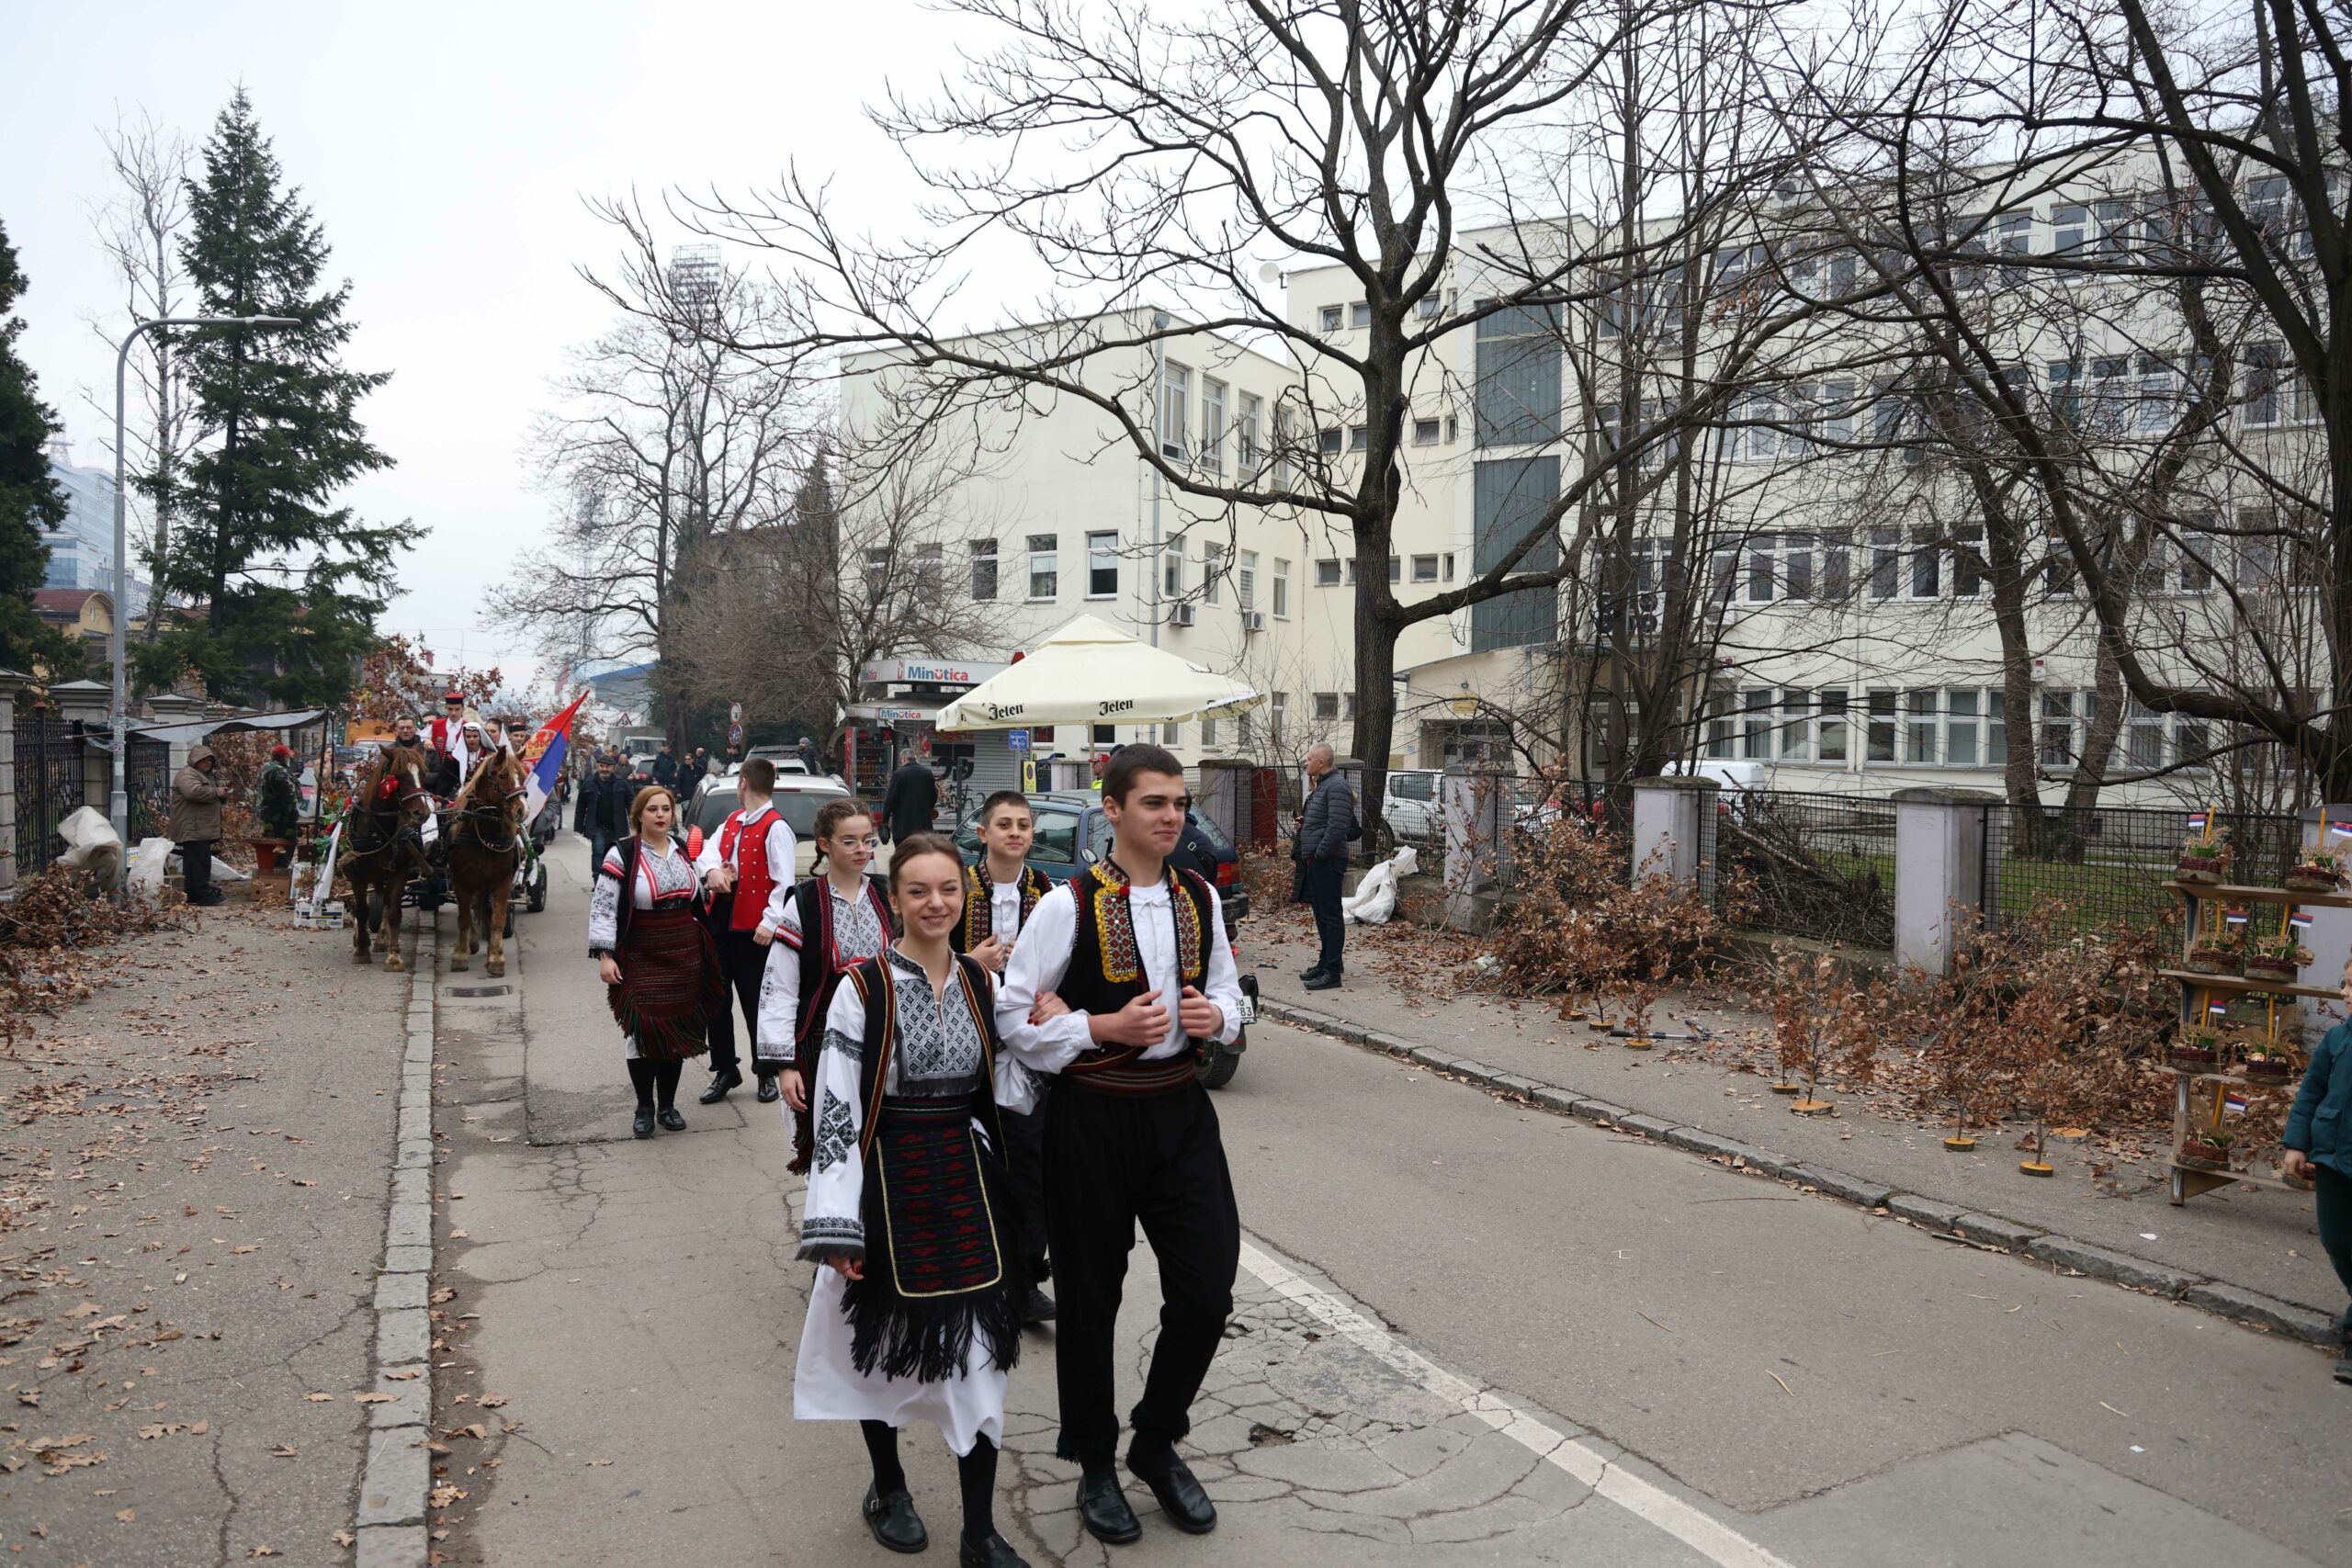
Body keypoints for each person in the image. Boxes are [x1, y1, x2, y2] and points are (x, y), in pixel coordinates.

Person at [996, 744, 1245, 1544]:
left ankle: (1156, 1438)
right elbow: (1010, 1016)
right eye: (1153, 802)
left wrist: (1219, 1019)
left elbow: (1232, 992)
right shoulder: (1065, 905)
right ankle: (1096, 1461)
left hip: (1177, 1112)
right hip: (1094, 1115)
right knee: (1091, 1300)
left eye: (1178, 801)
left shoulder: (1199, 895)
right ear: (1112, 810)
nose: (1171, 815)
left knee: (1207, 1290)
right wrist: (1097, 1025)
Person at [794, 831, 1034, 1568]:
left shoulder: (982, 982)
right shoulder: (860, 987)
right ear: (893, 899)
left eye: (950, 890)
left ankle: (979, 1533)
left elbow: (1007, 1090)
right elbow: (835, 1104)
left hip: (966, 1178)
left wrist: (1047, 1035)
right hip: (884, 1177)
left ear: (966, 896)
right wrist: (837, 1224)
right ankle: (889, 1486)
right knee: (882, 1353)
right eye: (920, 891)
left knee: (979, 1357)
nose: (937, 903)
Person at [954, 791, 1059, 1325]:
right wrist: (969, 962)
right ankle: (965, 1275)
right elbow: (918, 954)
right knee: (968, 1164)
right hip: (964, 1046)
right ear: (984, 834)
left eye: (1023, 825)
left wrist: (1055, 995)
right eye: (1004, 825)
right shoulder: (957, 887)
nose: (1015, 833)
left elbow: (1068, 963)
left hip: (1024, 1052)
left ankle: (1021, 1281)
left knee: (1031, 1166)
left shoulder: (1049, 892)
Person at [756, 800, 897, 1170]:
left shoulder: (886, 896)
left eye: (868, 840)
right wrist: (784, 1065)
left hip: (884, 1038)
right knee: (830, 1153)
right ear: (824, 844)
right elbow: (780, 989)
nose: (862, 849)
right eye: (849, 841)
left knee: (883, 1145)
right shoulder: (802, 904)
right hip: (821, 1041)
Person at [589, 785, 724, 1139]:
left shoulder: (680, 850)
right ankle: (644, 1108)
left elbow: (695, 896)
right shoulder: (623, 853)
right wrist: (605, 956)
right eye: (653, 809)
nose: (661, 815)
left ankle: (667, 1105)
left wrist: (717, 882)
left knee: (676, 1029)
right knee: (642, 1029)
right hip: (641, 950)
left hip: (683, 949)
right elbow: (603, 905)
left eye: (666, 809)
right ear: (639, 815)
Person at [694, 758, 798, 1106]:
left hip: (754, 930)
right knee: (717, 1000)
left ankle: (765, 1070)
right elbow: (708, 850)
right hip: (721, 921)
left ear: (743, 784)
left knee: (757, 1003)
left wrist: (770, 923)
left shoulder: (775, 826)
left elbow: (784, 882)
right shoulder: (732, 821)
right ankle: (725, 1069)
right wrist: (712, 871)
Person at [2283, 965, 2352, 1385]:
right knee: (2337, 1239)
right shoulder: (2337, 1039)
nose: (2347, 993)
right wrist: (2297, 1143)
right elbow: (2311, 1091)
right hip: (2332, 1159)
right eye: (2347, 984)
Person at [1295, 742, 1354, 991]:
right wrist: (1306, 823)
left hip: (1327, 861)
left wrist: (1319, 855)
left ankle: (1332, 971)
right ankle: (1326, 962)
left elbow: (1338, 826)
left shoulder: (1337, 786)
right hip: (1317, 860)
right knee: (1321, 913)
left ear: (1321, 762)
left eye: (1309, 759)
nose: (1306, 763)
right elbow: (1324, 820)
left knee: (1330, 915)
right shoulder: (1324, 785)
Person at [168, 742, 227, 908]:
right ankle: (200, 892)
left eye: (210, 761)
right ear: (195, 760)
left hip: (199, 827)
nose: (207, 764)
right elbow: (192, 792)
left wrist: (221, 794)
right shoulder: (188, 774)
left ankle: (194, 891)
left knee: (196, 861)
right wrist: (217, 792)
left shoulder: (202, 775)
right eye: (204, 760)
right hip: (192, 827)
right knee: (199, 861)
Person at [573, 753, 633, 879]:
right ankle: (598, 880)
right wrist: (579, 827)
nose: (604, 769)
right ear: (597, 766)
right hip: (596, 826)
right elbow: (580, 807)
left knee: (613, 854)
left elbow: (631, 802)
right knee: (598, 852)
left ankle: (612, 880)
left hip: (616, 826)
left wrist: (634, 820)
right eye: (602, 766)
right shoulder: (589, 783)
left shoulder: (621, 783)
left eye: (608, 767)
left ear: (613, 768)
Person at [881, 747, 939, 844]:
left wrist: (885, 821)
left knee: (904, 857)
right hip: (923, 828)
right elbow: (934, 796)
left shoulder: (898, 774)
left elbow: (890, 800)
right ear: (915, 758)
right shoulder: (927, 773)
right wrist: (926, 809)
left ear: (904, 759)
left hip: (903, 829)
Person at [257, 744, 301, 843]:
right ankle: (283, 859)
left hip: (266, 814)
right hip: (281, 817)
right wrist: (293, 814)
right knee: (285, 844)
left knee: (269, 844)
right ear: (283, 757)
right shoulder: (280, 770)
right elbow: (288, 795)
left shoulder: (265, 768)